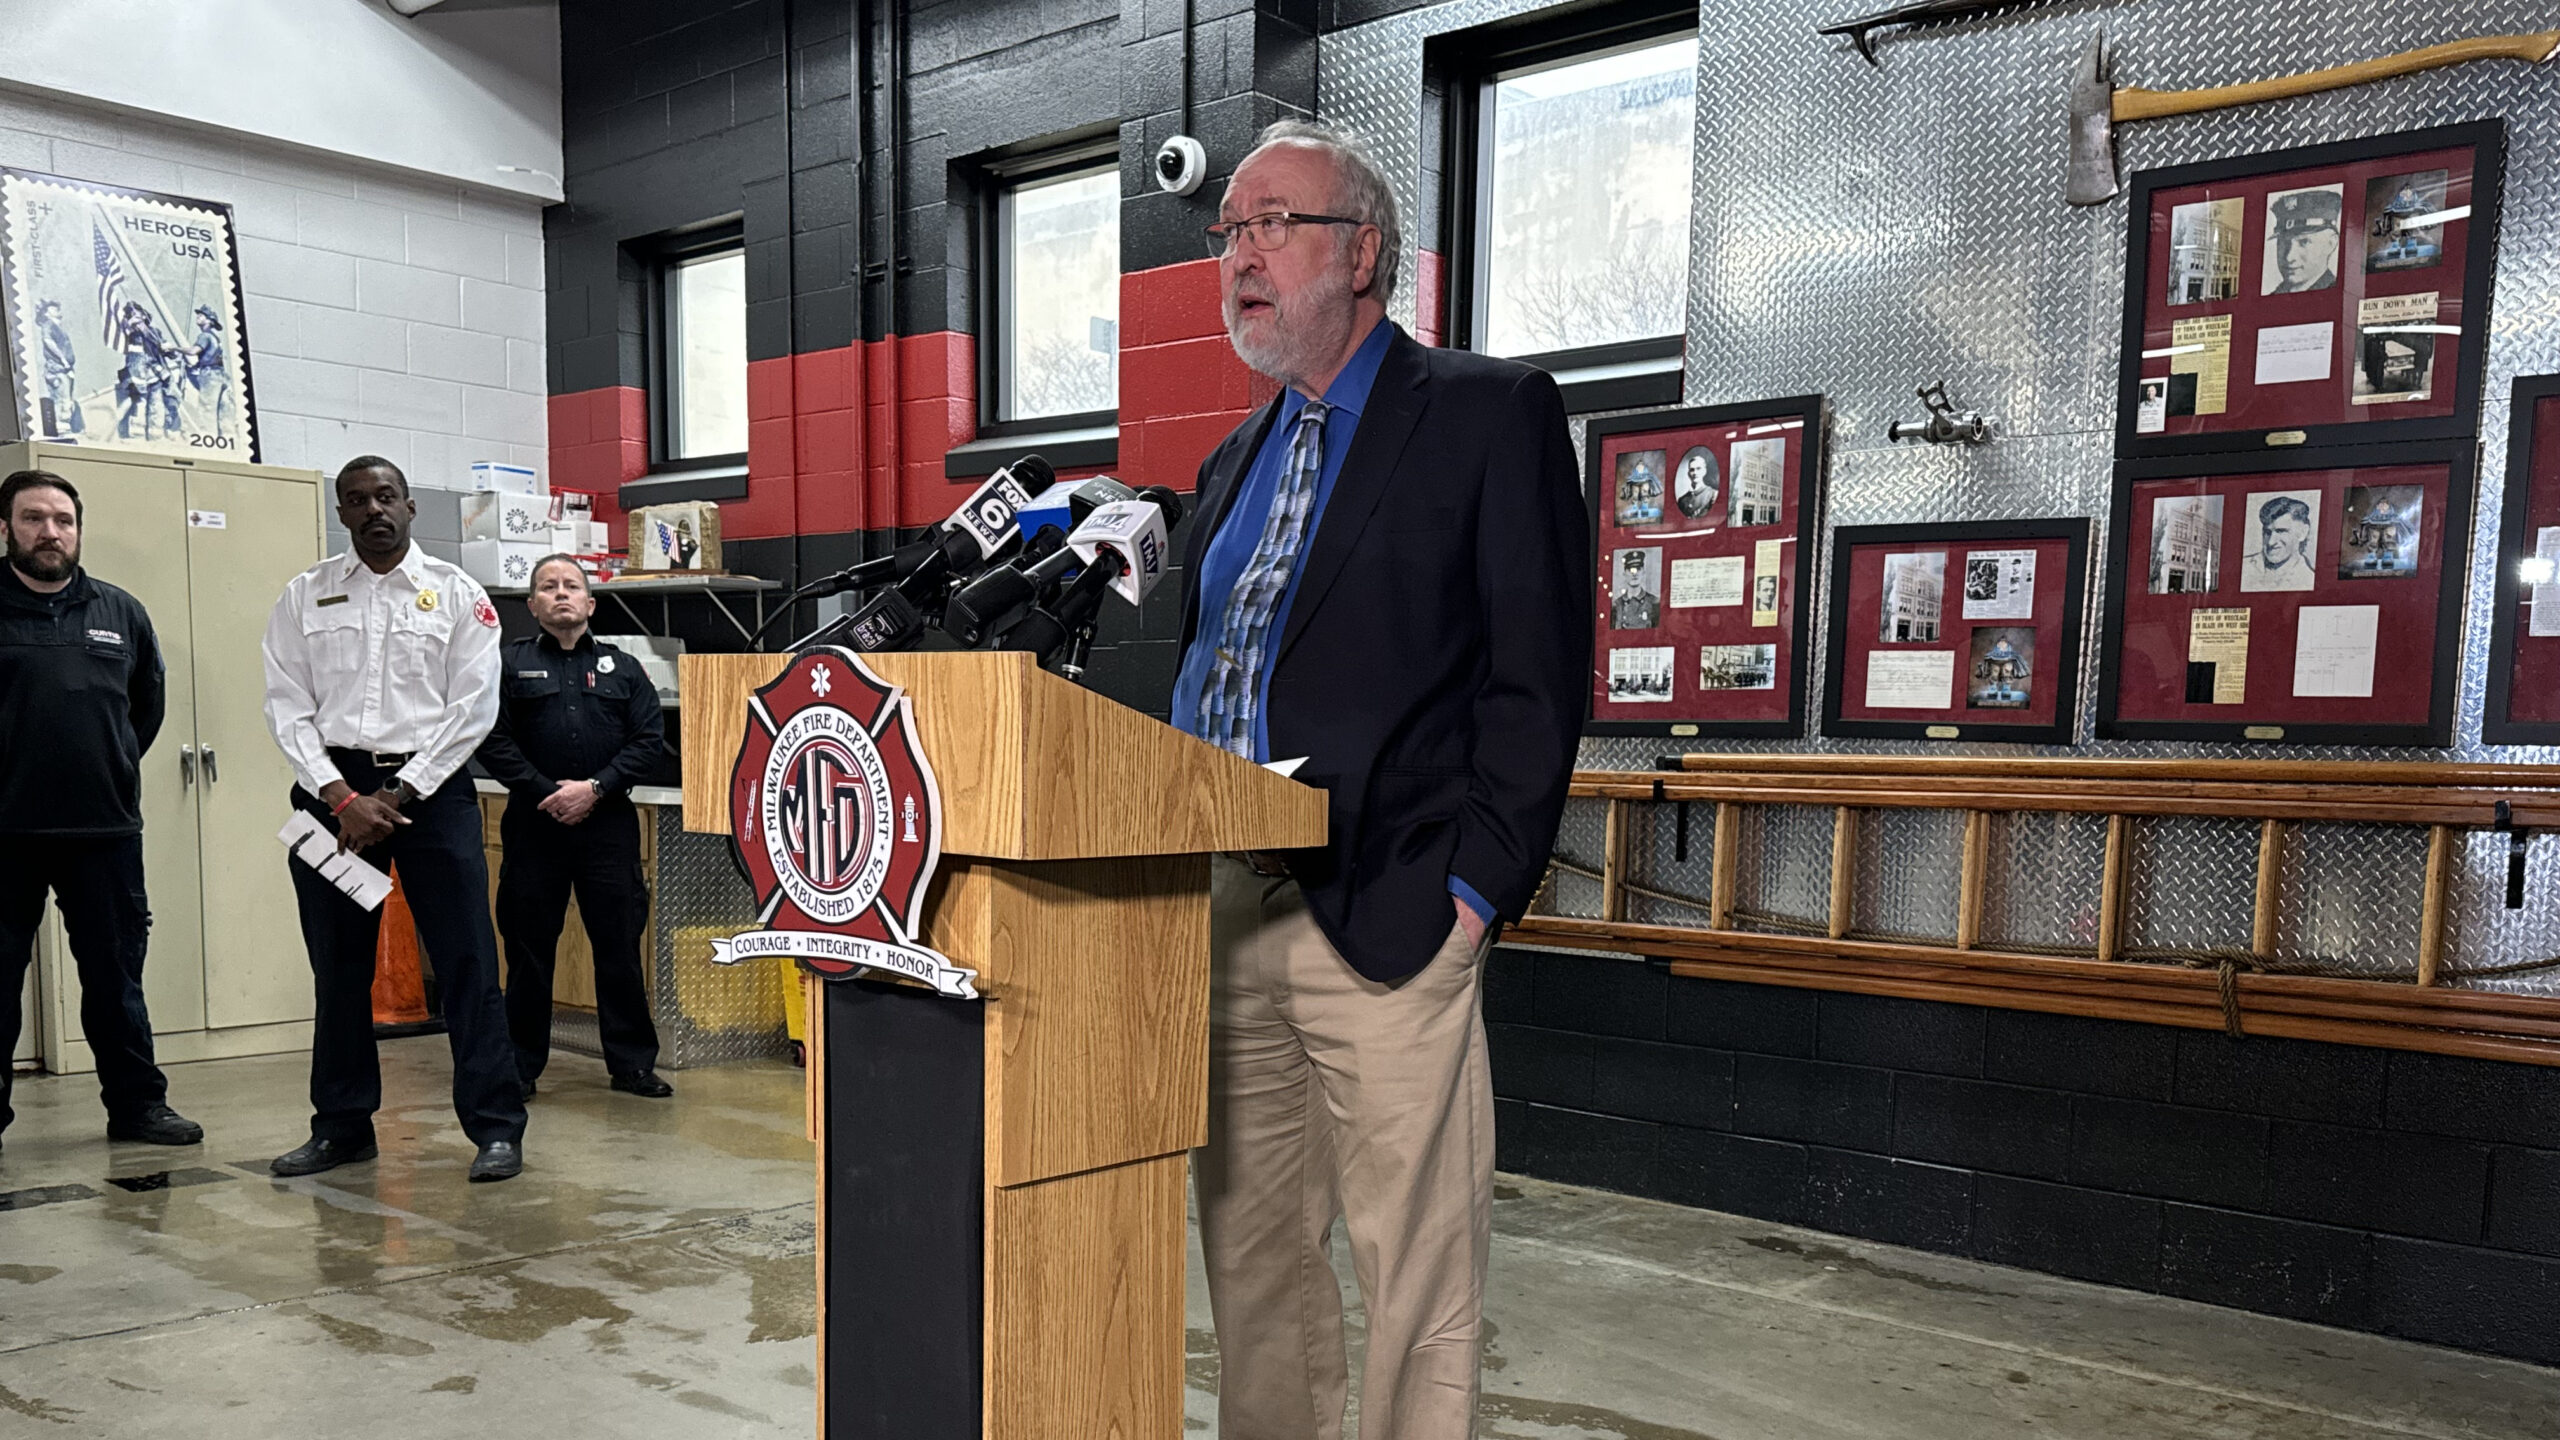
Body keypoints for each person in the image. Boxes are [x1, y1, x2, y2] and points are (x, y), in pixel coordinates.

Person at [1172, 121, 1588, 1440]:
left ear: (1361, 253)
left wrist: (1475, 891)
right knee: (1254, 1267)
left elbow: (1539, 677)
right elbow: (1202, 679)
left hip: (1397, 911)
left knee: (1418, 1278)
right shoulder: (1226, 465)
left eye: (1270, 222)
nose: (1238, 254)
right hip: (1229, 914)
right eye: (1226, 229)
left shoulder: (1484, 413)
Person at [260, 456, 526, 1182]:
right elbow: (287, 706)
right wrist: (341, 796)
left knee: (468, 961)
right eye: (356, 500)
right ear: (341, 514)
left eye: (386, 496)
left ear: (410, 506)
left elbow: (473, 707)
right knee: (339, 970)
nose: (373, 509)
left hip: (431, 800)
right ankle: (342, 1127)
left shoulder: (457, 594)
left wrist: (399, 795)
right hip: (332, 800)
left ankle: (497, 1129)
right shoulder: (304, 596)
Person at [0, 470, 202, 1153]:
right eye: (33, 518)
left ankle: (138, 1108)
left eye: (62, 519)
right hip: (5, 834)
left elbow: (144, 711)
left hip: (104, 832)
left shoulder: (121, 613)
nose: (49, 532)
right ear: (6, 529)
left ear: (78, 529)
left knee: (117, 981)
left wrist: (105, 765)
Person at [477, 555, 672, 1101]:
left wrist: (595, 788)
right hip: (534, 827)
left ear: (590, 603)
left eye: (571, 586)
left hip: (607, 826)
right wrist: (549, 793)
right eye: (547, 587)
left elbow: (648, 742)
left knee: (619, 947)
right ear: (533, 605)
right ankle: (520, 1067)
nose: (560, 594)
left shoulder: (624, 668)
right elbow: (493, 743)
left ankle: (632, 1065)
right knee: (529, 951)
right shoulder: (508, 667)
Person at [2266, 189, 2341, 294]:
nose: (2289, 257)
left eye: (2304, 242)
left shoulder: (2335, 293)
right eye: (2284, 242)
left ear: (2331, 244)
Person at [2242, 494, 2316, 592]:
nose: (2271, 542)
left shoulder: (2309, 580)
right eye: (2267, 532)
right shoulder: (2243, 566)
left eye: (2281, 531)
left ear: (2303, 532)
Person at [35, 300, 83, 439]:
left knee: (66, 398)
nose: (56, 309)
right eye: (52, 308)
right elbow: (48, 341)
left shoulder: (56, 326)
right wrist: (62, 359)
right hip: (57, 368)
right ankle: (62, 430)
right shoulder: (48, 325)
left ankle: (65, 428)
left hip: (65, 368)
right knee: (62, 399)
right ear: (46, 312)